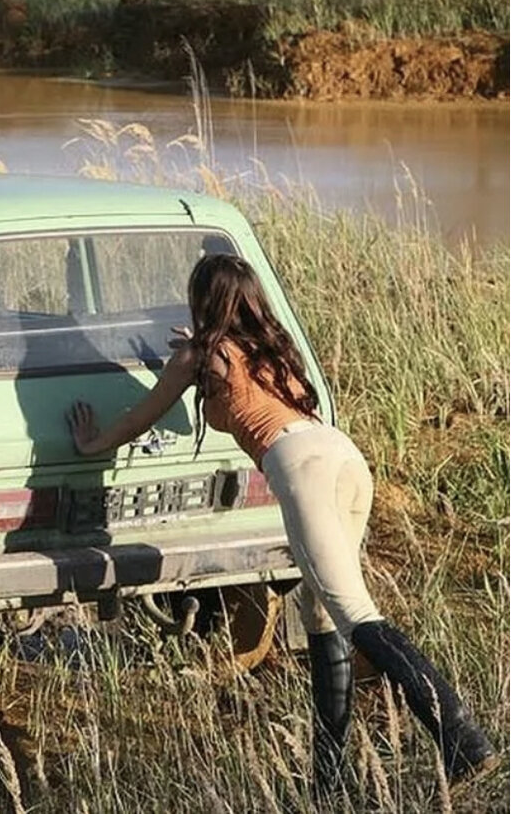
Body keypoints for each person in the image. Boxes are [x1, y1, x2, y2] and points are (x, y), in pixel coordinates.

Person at [66, 253, 496, 792]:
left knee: (355, 611)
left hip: (301, 470)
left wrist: (93, 443)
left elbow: (141, 416)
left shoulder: (200, 356)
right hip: (342, 455)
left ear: (204, 301)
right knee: (321, 613)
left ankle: (461, 738)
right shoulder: (268, 348)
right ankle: (329, 775)